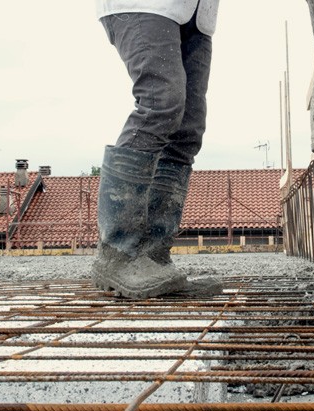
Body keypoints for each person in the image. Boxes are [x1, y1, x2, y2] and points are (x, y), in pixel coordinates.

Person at [93, 0, 221, 299]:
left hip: (197, 14)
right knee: (160, 103)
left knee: (187, 129)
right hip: (146, 5)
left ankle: (153, 259)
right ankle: (118, 254)